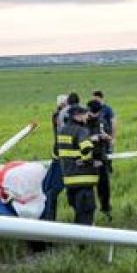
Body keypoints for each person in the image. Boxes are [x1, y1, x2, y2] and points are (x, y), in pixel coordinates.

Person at [57, 105, 99, 225]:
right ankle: (84, 242)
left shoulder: (62, 131)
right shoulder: (81, 130)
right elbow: (86, 149)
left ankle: (77, 240)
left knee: (78, 212)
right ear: (77, 116)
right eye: (85, 114)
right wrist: (91, 162)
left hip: (69, 179)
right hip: (83, 178)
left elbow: (57, 152)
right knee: (86, 213)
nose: (87, 116)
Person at [41, 94, 68, 222]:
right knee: (50, 189)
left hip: (58, 155)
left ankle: (48, 217)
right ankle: (48, 218)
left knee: (48, 188)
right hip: (60, 157)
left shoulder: (58, 115)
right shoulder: (59, 116)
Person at [87, 99, 113, 221]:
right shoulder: (84, 122)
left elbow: (109, 135)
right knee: (88, 188)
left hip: (101, 157)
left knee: (104, 187)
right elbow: (80, 138)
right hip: (88, 158)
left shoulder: (102, 121)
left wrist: (106, 137)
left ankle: (105, 209)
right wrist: (92, 138)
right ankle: (89, 213)